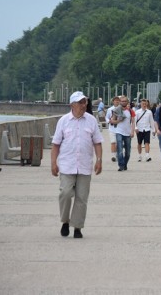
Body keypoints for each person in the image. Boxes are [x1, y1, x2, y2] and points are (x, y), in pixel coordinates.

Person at [51, 91, 103, 239]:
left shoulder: (91, 120)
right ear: (72, 105)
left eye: (84, 102)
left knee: (82, 198)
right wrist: (53, 163)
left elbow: (97, 142)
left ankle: (78, 227)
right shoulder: (63, 121)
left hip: (85, 165)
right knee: (65, 193)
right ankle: (65, 221)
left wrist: (99, 160)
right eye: (80, 102)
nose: (83, 105)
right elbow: (55, 144)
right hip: (67, 164)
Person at [110, 95, 135, 171]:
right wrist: (118, 121)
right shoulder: (116, 111)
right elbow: (112, 121)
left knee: (128, 152)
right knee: (119, 149)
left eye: (125, 101)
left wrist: (132, 131)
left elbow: (133, 122)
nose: (123, 102)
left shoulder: (130, 111)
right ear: (120, 102)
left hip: (127, 133)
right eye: (122, 101)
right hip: (119, 131)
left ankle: (125, 163)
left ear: (127, 102)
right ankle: (121, 165)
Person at [105, 96, 121, 162]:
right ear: (113, 101)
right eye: (115, 100)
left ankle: (117, 154)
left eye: (118, 100)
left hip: (119, 128)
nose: (117, 101)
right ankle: (113, 156)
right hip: (112, 128)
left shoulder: (121, 109)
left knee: (118, 142)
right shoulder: (110, 109)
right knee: (113, 142)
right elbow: (106, 117)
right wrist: (109, 121)